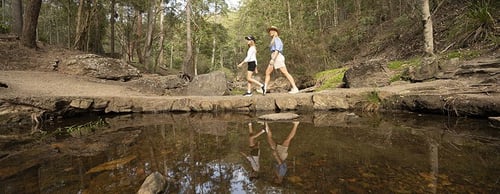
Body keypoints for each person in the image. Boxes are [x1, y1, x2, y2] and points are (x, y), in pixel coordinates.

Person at [262, 26, 299, 95]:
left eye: (272, 30)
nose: (270, 32)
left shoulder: (277, 39)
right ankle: (264, 88)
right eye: (270, 31)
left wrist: (273, 59)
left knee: (285, 72)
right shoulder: (274, 40)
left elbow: (277, 50)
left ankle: (295, 88)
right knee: (267, 72)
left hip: (277, 57)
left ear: (275, 32)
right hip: (274, 56)